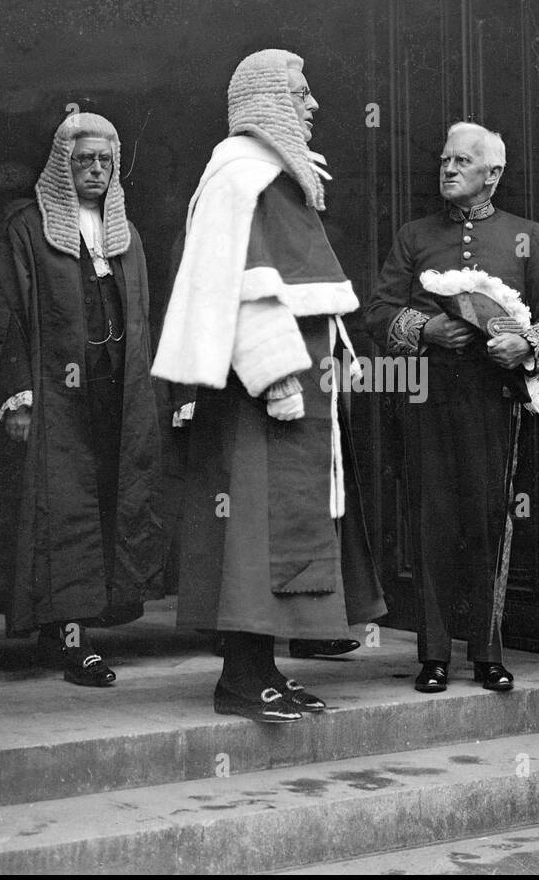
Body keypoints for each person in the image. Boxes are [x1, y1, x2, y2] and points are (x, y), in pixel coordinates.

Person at [153, 48, 385, 724]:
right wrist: (279, 375)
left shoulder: (272, 174)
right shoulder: (242, 174)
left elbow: (294, 286)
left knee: (277, 531)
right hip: (265, 394)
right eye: (301, 94)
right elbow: (250, 291)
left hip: (292, 391)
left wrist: (335, 353)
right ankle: (241, 679)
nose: (313, 105)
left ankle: (263, 673)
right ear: (267, 101)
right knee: (253, 536)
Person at [0, 111, 171, 686]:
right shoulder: (27, 229)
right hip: (56, 398)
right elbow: (3, 316)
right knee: (63, 512)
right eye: (83, 161)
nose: (95, 170)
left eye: (105, 160)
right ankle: (68, 638)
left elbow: (144, 323)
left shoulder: (128, 237)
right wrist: (19, 397)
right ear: (63, 165)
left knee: (108, 501)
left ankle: (90, 624)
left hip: (115, 396)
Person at [365, 123, 539, 694]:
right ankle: (433, 655)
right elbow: (379, 313)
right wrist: (426, 327)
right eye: (444, 160)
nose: (449, 169)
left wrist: (527, 345)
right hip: (426, 401)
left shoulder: (524, 235)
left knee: (488, 522)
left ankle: (487, 652)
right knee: (432, 522)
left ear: (494, 174)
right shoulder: (414, 236)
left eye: (462, 161)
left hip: (494, 403)